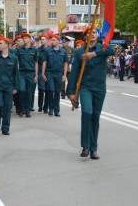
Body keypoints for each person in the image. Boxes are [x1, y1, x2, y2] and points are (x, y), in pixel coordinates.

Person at [68, 26, 114, 160]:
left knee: (95, 117)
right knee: (87, 112)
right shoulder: (79, 52)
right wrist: (71, 92)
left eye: (94, 32)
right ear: (85, 37)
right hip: (85, 87)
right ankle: (85, 146)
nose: (92, 34)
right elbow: (75, 72)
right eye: (89, 33)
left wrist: (93, 54)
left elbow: (111, 50)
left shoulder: (102, 48)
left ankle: (94, 149)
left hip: (99, 88)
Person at [0, 37, 19, 135]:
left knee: (7, 107)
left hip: (9, 86)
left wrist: (15, 87)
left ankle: (5, 128)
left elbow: (16, 74)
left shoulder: (13, 58)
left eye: (1, 43)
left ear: (6, 44)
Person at [42, 34, 68, 117]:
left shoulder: (63, 51)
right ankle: (51, 108)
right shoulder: (48, 51)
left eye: (53, 40)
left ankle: (56, 110)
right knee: (51, 90)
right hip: (50, 73)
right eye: (51, 40)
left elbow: (65, 64)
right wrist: (43, 73)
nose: (51, 42)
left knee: (57, 92)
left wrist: (64, 75)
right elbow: (44, 62)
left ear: (58, 41)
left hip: (59, 74)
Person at [16, 33, 38, 117]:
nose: (24, 39)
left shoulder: (34, 50)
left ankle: (27, 110)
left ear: (29, 39)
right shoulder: (19, 50)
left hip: (31, 73)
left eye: (25, 38)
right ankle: (21, 109)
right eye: (23, 38)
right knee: (21, 90)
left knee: (29, 92)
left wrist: (36, 75)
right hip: (21, 73)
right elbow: (17, 62)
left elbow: (36, 62)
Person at [37, 34, 49, 113]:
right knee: (41, 89)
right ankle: (40, 106)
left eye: (43, 39)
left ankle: (46, 107)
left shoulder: (50, 50)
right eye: (41, 39)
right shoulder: (38, 50)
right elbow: (36, 62)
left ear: (47, 40)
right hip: (41, 71)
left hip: (49, 71)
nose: (42, 41)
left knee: (48, 90)